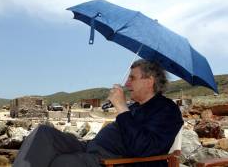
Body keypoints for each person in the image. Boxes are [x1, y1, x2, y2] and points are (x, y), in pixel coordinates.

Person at [13, 59, 183, 167]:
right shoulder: (135, 107)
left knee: (63, 163)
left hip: (113, 160)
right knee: (43, 133)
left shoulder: (166, 110)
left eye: (132, 78)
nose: (126, 82)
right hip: (90, 146)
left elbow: (145, 149)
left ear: (149, 81)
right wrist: (124, 108)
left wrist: (122, 108)